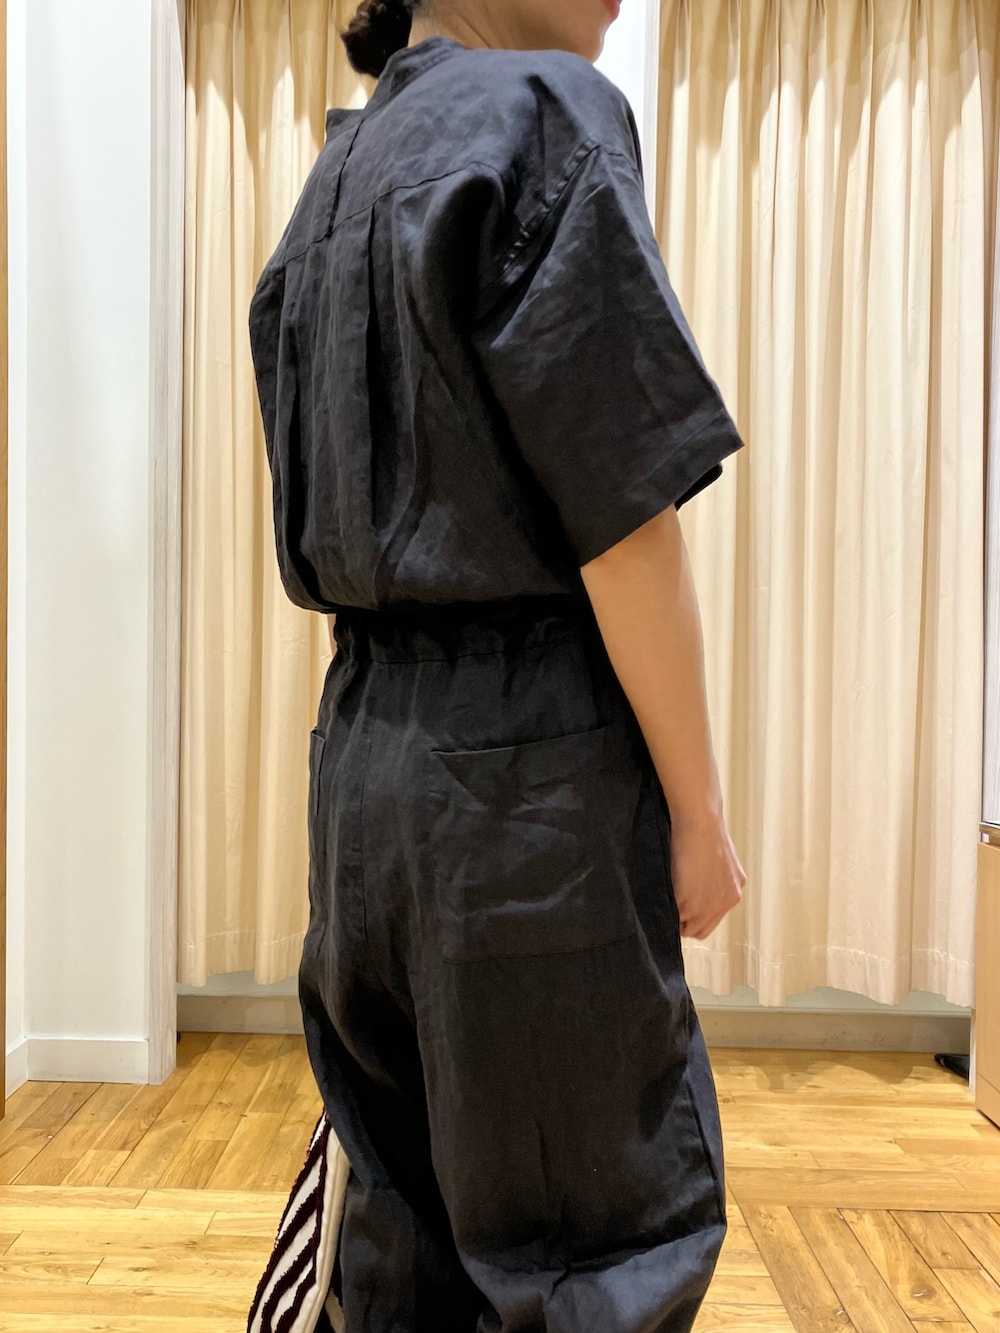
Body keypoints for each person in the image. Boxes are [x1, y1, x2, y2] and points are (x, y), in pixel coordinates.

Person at [249, 0, 747, 1328]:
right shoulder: (540, 113)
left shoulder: (336, 177)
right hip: (525, 791)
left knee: (399, 1241)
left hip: (361, 775)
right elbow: (623, 525)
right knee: (584, 1253)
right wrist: (698, 811)